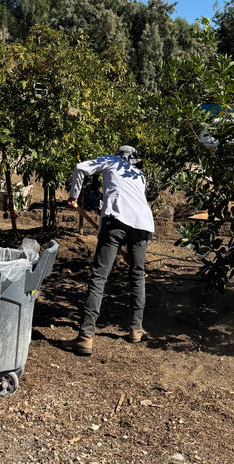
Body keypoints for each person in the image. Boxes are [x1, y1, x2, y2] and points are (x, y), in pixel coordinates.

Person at [64, 145, 154, 356]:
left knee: (99, 277)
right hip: (142, 225)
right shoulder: (139, 174)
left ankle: (86, 337)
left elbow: (80, 167)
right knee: (137, 275)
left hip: (116, 221)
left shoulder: (112, 161)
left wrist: (73, 196)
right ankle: (136, 330)